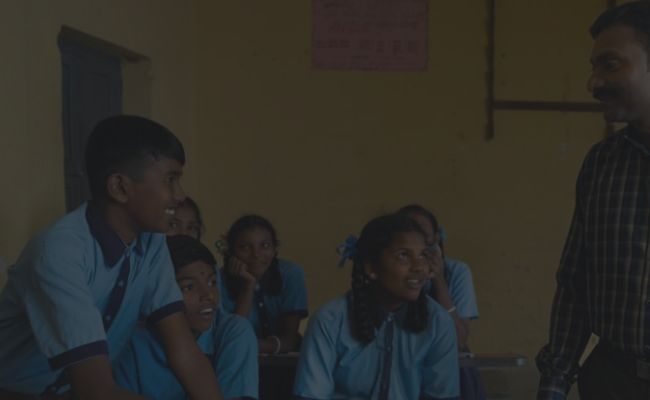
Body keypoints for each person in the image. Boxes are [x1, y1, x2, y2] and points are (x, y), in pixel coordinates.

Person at [0, 116, 222, 399]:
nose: (180, 195)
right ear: (119, 187)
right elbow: (96, 391)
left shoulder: (151, 242)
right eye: (170, 180)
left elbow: (186, 354)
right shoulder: (59, 252)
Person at [537, 2, 650, 398]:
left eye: (610, 65)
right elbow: (575, 281)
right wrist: (554, 385)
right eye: (594, 67)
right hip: (612, 382)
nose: (593, 83)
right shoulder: (602, 163)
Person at [294, 213, 459, 400]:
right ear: (371, 267)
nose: (419, 267)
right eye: (403, 256)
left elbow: (442, 395)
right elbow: (311, 395)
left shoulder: (438, 322)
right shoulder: (329, 320)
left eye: (422, 255)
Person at [114, 235, 258, 399]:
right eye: (189, 287)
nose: (208, 296)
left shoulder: (232, 331)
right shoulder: (133, 344)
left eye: (212, 282)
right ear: (160, 292)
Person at [219, 215, 308, 354]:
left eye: (265, 246)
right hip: (236, 360)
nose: (256, 254)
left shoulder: (290, 274)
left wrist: (248, 345)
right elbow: (233, 337)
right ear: (231, 252)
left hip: (283, 361)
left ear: (274, 249)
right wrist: (247, 287)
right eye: (245, 248)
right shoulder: (217, 281)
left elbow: (290, 339)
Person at [398, 204, 479, 349]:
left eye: (423, 233)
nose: (416, 239)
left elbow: (459, 341)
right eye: (407, 232)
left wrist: (439, 280)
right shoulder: (393, 273)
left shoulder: (457, 271)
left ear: (436, 238)